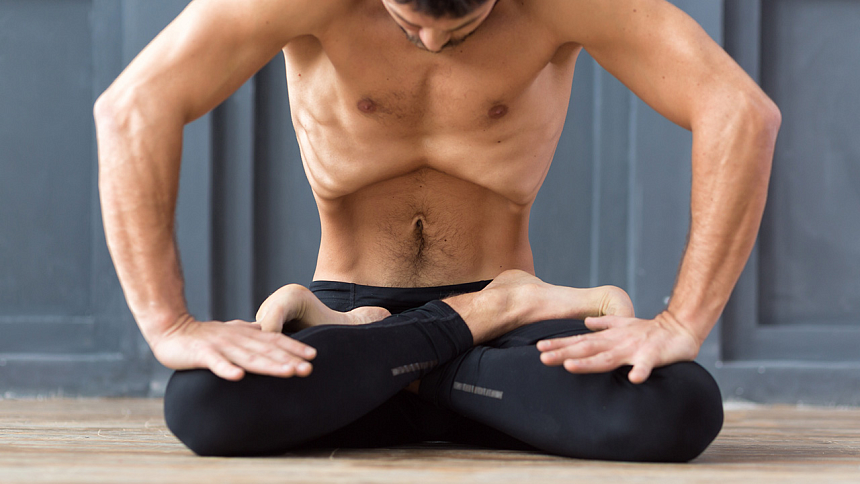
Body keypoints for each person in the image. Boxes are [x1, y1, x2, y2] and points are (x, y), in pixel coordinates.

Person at [93, 0, 780, 461]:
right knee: (206, 405)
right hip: (358, 310)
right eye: (410, 18)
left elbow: (741, 111)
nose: (432, 41)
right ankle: (483, 327)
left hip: (409, 350)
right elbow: (130, 108)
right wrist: (170, 326)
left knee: (677, 408)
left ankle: (428, 354)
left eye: (463, 22)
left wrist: (681, 322)